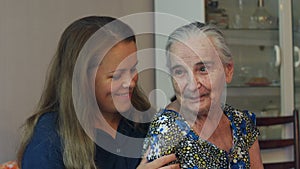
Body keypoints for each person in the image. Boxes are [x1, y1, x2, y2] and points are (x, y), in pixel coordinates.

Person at [17, 16, 179, 169]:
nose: (130, 82)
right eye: (115, 75)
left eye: (133, 69)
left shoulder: (143, 122)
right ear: (81, 79)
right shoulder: (49, 139)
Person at [143, 22, 264, 168]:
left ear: (228, 70)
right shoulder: (167, 131)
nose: (193, 84)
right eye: (180, 72)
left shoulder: (242, 123)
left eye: (203, 69)